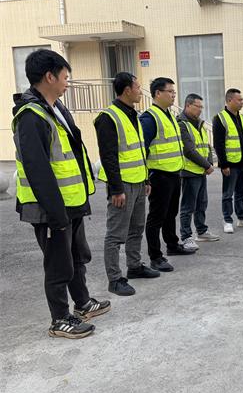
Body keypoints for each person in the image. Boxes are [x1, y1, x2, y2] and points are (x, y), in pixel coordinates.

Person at [12, 49, 110, 338]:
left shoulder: (55, 109)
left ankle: (83, 303)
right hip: (51, 209)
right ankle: (59, 319)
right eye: (65, 77)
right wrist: (56, 215)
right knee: (58, 265)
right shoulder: (31, 117)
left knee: (77, 256)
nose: (68, 82)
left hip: (71, 202)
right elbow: (38, 170)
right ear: (49, 76)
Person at [94, 72, 158, 297]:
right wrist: (116, 189)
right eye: (138, 87)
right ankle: (114, 279)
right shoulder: (108, 117)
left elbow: (139, 151)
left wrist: (146, 178)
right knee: (115, 234)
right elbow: (108, 156)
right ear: (127, 90)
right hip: (122, 185)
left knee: (136, 228)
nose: (140, 91)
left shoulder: (133, 115)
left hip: (139, 182)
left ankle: (135, 266)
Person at [140, 77, 194, 273]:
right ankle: (155, 257)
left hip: (173, 172)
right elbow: (143, 149)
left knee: (171, 213)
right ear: (157, 93)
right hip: (159, 175)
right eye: (170, 91)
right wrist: (146, 177)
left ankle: (172, 244)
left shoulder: (169, 115)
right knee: (157, 216)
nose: (173, 95)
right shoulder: (149, 118)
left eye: (174, 92)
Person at [213, 88, 243, 233]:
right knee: (228, 194)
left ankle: (242, 218)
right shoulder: (220, 118)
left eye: (242, 100)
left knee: (241, 192)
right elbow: (218, 144)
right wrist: (223, 165)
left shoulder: (242, 118)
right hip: (230, 164)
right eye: (239, 100)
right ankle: (227, 220)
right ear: (229, 100)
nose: (242, 102)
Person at [177, 93, 219, 251]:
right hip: (189, 171)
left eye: (202, 107)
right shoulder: (181, 124)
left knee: (202, 203)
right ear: (188, 105)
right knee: (188, 206)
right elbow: (188, 150)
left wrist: (209, 162)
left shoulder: (199, 123)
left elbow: (205, 145)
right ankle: (186, 236)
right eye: (198, 106)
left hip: (201, 171)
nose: (200, 110)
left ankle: (201, 231)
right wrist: (207, 165)